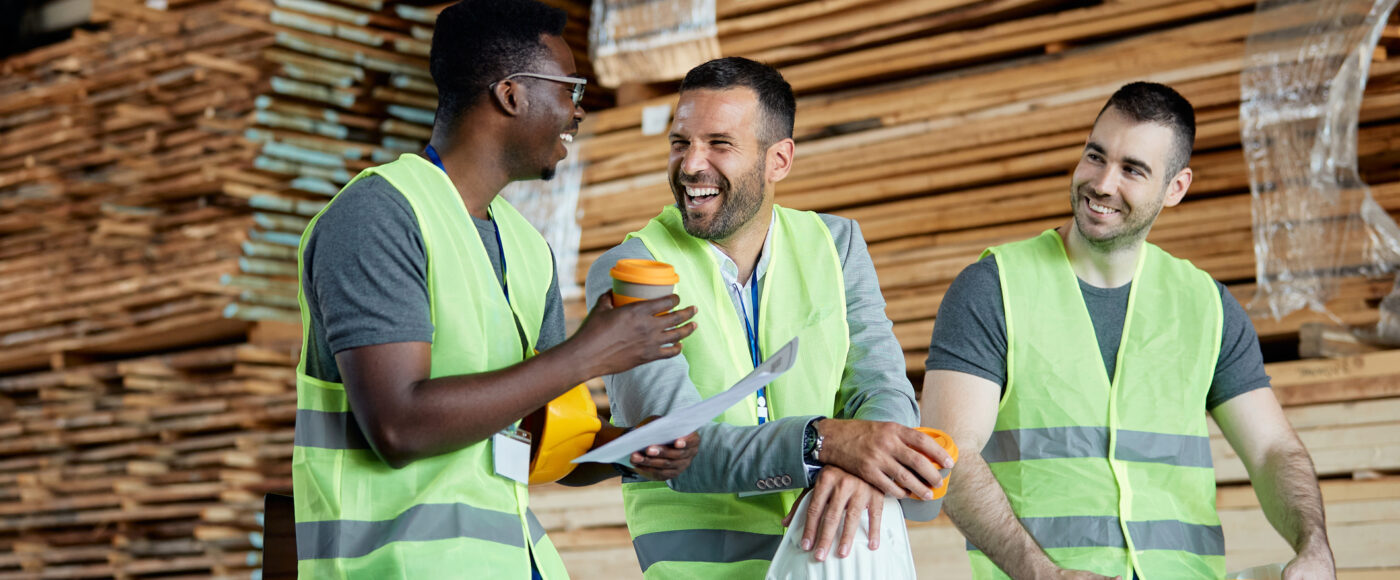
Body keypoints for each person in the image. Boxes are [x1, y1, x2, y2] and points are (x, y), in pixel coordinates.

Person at [290, 1, 700, 577]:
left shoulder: (527, 248)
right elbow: (398, 426)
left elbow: (533, 441)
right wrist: (590, 352)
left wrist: (628, 449)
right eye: (570, 89)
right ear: (510, 94)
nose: (578, 112)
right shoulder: (379, 216)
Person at [922, 82, 1336, 579]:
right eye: (1095, 157)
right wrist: (1043, 575)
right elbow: (951, 454)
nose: (1101, 183)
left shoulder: (1206, 305)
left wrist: (1314, 546)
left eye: (1132, 170)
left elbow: (1272, 449)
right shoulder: (993, 289)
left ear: (1175, 188)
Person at [586, 57, 953, 579]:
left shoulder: (836, 246)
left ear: (778, 160)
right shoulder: (631, 271)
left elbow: (886, 391)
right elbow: (677, 447)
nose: (691, 165)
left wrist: (863, 464)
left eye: (719, 143)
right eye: (680, 142)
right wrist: (827, 444)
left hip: (828, 567)